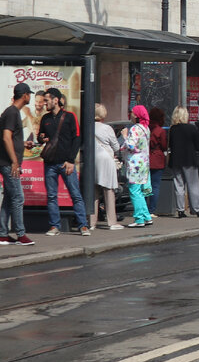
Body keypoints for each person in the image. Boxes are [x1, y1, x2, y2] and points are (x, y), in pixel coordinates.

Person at [39, 87, 89, 236]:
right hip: (50, 163)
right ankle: (55, 226)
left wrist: (70, 160)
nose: (44, 103)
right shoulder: (45, 118)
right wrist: (41, 138)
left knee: (75, 194)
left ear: (56, 100)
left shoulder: (69, 116)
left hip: (65, 163)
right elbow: (40, 137)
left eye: (46, 100)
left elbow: (77, 138)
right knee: (52, 196)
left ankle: (83, 225)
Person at [0, 83, 35, 246]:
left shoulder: (11, 112)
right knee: (18, 197)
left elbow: (11, 139)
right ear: (25, 95)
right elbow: (6, 137)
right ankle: (21, 234)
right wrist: (15, 161)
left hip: (8, 162)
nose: (30, 97)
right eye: (29, 94)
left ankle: (3, 234)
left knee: (8, 198)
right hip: (9, 163)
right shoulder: (12, 113)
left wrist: (22, 143)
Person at [167, 106, 199, 219]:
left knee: (178, 185)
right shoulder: (192, 128)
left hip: (176, 160)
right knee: (193, 185)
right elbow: (198, 145)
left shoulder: (172, 129)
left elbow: (170, 145)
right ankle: (197, 210)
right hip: (189, 160)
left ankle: (180, 210)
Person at [91, 103, 123, 231]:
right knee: (108, 190)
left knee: (93, 192)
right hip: (105, 159)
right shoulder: (107, 128)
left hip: (92, 159)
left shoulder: (88, 126)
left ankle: (91, 222)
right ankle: (112, 222)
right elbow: (116, 146)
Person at [121, 105, 153, 228]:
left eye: (133, 113)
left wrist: (125, 135)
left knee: (135, 191)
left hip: (135, 164)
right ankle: (146, 216)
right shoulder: (146, 128)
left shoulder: (135, 129)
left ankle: (139, 219)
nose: (131, 115)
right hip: (144, 163)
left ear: (137, 115)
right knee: (139, 191)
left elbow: (131, 145)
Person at [147, 107, 169, 217]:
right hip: (158, 159)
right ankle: (152, 210)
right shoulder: (160, 131)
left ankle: (145, 208)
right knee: (155, 186)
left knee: (146, 185)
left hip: (146, 159)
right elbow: (164, 146)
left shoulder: (146, 128)